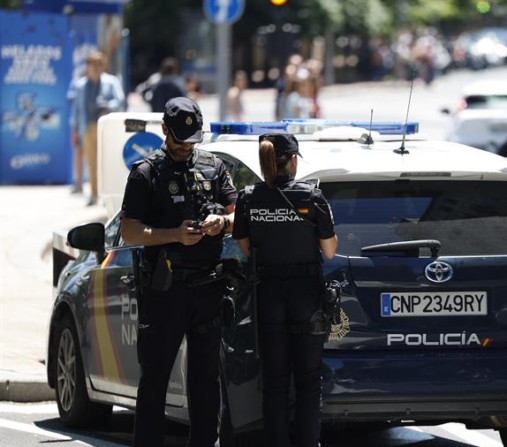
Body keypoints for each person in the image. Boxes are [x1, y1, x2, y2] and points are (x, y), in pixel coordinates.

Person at [120, 97, 238, 447]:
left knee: (205, 379)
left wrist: (222, 223)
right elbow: (129, 231)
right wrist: (174, 236)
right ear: (164, 131)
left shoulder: (214, 167)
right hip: (165, 290)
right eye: (180, 139)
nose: (187, 147)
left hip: (208, 288)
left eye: (192, 140)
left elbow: (238, 215)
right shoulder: (146, 172)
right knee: (155, 379)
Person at [232, 132, 337, 447]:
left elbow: (244, 245)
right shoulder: (311, 197)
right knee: (307, 379)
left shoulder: (249, 198)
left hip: (268, 293)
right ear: (292, 160)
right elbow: (330, 251)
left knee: (275, 381)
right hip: (306, 292)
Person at [69, 51, 125, 206]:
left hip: (106, 126)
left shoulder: (111, 81)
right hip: (88, 126)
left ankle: (107, 196)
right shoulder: (81, 85)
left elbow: (119, 99)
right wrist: (74, 130)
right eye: (92, 65)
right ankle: (94, 194)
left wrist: (108, 105)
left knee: (107, 161)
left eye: (98, 64)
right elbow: (76, 110)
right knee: (91, 161)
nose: (95, 68)